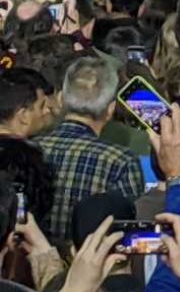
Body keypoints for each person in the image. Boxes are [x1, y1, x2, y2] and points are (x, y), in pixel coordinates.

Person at [35, 57, 146, 242]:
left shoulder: (29, 149)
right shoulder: (121, 161)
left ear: (61, 99)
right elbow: (128, 234)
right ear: (110, 109)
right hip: (94, 266)